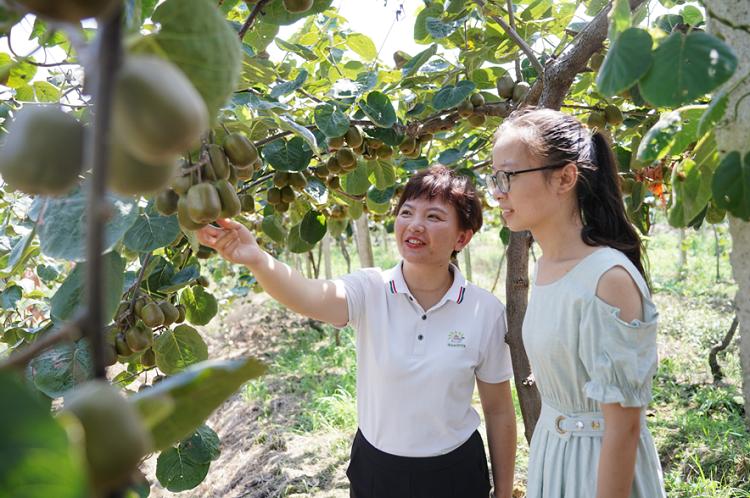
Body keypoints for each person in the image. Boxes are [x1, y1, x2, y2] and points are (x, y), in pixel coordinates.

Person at [196, 165, 517, 498]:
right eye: (407, 212)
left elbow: (498, 409)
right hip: (379, 470)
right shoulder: (370, 289)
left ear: (462, 237)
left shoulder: (484, 311)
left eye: (434, 217)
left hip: (455, 472)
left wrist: (504, 492)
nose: (415, 225)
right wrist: (258, 260)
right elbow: (310, 296)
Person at [487, 107, 666, 498]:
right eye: (494, 176)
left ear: (565, 177)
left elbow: (624, 427)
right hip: (555, 455)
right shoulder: (547, 264)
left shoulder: (608, 279)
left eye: (509, 176)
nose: (498, 191)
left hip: (599, 467)